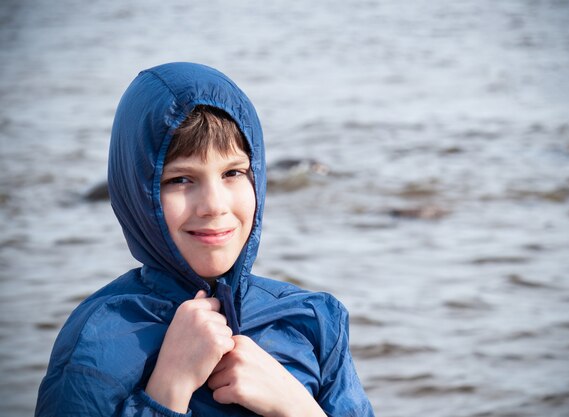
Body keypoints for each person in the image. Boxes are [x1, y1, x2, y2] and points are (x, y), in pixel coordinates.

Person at [35, 62, 374, 417]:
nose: (214, 206)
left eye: (233, 173)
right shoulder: (97, 341)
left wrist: (297, 407)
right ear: (136, 192)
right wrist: (169, 387)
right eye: (180, 179)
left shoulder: (313, 319)